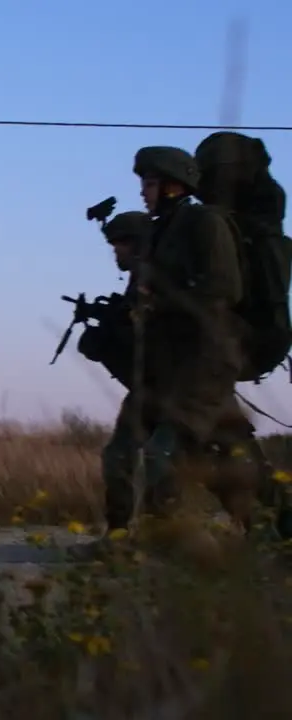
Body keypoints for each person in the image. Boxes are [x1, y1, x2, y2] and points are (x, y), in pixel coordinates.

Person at [89, 146, 246, 545]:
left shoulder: (205, 222)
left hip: (200, 366)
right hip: (160, 371)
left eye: (151, 183)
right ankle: (119, 538)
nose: (144, 192)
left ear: (176, 185)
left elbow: (224, 287)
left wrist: (164, 298)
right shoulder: (158, 233)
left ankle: (170, 541)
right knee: (119, 455)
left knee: (168, 456)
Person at [194, 131, 292, 539]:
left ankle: (272, 524)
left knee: (202, 438)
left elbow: (223, 292)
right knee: (220, 436)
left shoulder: (231, 227)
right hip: (248, 338)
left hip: (236, 339)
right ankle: (272, 525)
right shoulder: (260, 219)